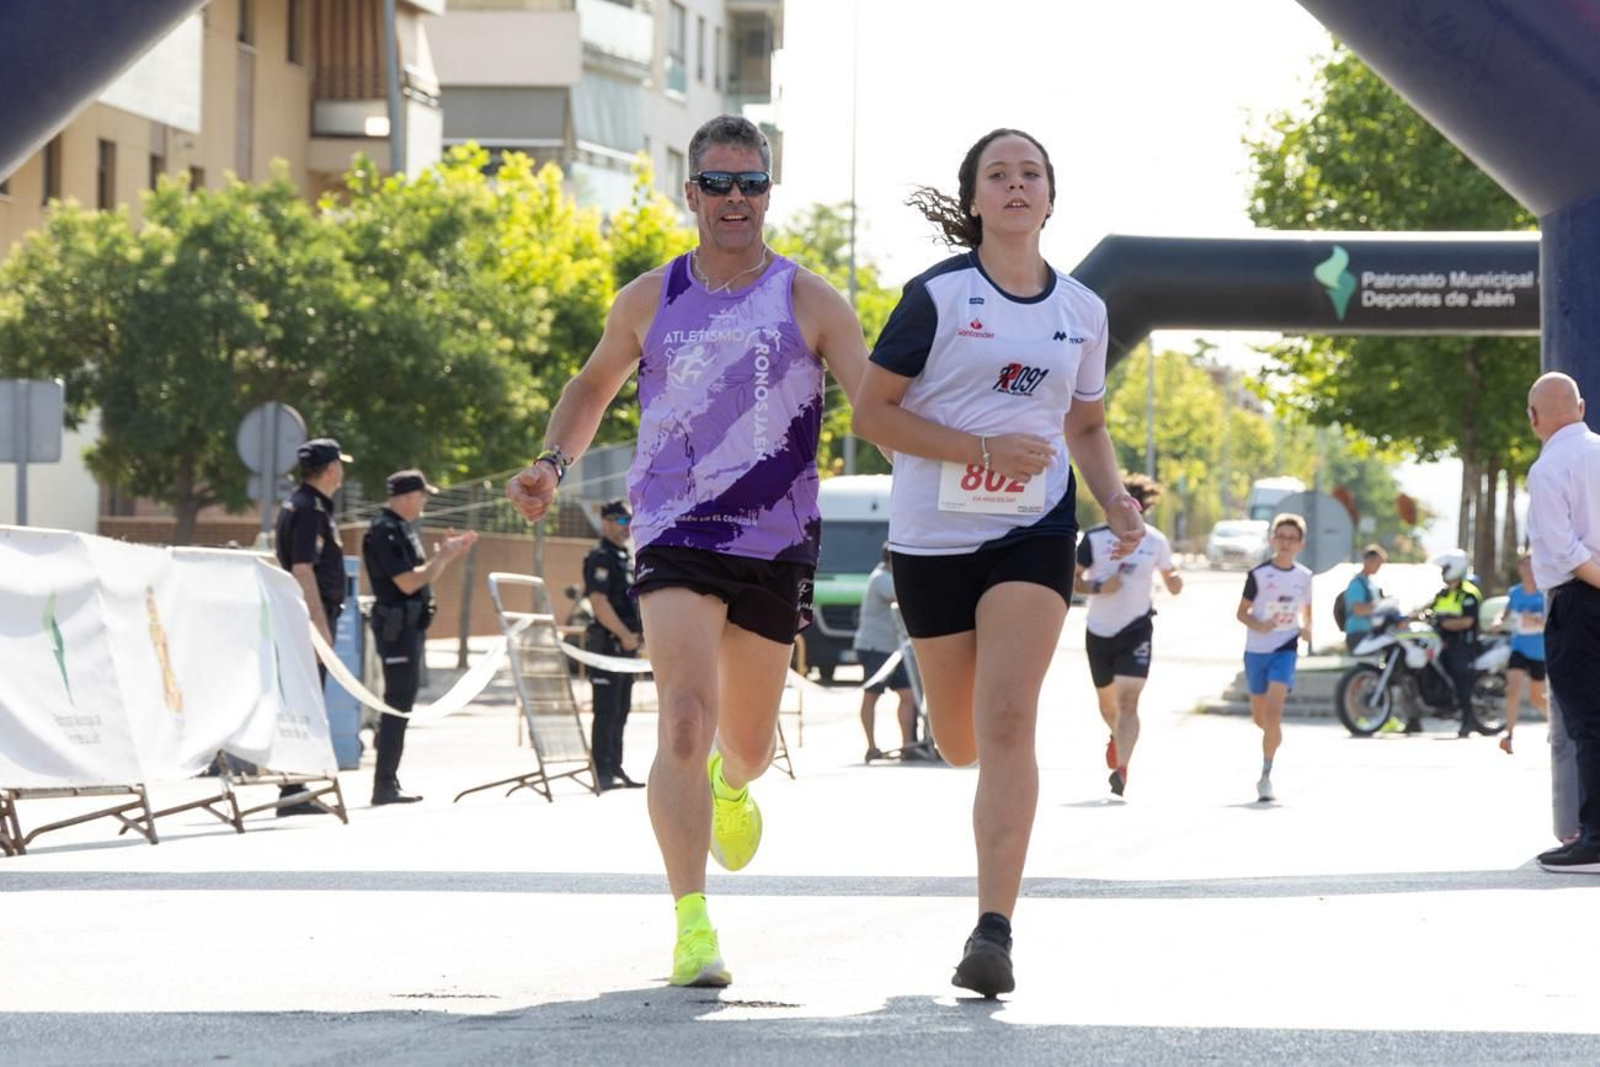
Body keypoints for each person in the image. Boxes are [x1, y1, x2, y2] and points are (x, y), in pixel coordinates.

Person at [504, 115, 870, 986]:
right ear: (692, 191)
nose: (735, 198)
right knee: (680, 717)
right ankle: (691, 923)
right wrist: (552, 462)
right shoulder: (650, 297)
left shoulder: (811, 299)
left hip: (774, 541)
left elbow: (877, 401)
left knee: (743, 744)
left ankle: (734, 785)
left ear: (769, 192)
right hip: (674, 528)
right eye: (718, 183)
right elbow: (593, 383)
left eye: (751, 183)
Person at [851, 127, 1144, 998]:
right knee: (962, 740)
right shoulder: (937, 297)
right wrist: (975, 443)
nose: (1016, 185)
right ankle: (964, 761)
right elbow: (873, 413)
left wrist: (1116, 499)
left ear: (1052, 197)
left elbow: (1084, 426)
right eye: (998, 174)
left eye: (1032, 173)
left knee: (1011, 717)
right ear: (973, 199)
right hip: (932, 540)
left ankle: (993, 932)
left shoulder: (1084, 310)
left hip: (1035, 529)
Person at [361, 470, 477, 805]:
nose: (425, 501)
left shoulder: (402, 529)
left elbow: (422, 577)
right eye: (422, 495)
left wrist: (447, 554)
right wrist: (444, 556)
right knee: (397, 703)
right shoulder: (385, 530)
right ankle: (383, 785)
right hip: (396, 629)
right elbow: (408, 583)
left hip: (409, 628)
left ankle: (389, 780)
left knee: (402, 702)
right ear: (409, 496)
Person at [1524, 371, 1600, 873]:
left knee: (1589, 722)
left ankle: (1595, 838)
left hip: (1579, 603)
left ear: (1533, 419)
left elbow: (1563, 550)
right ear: (1582, 407)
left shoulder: (1549, 467)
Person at [1074, 473, 1182, 797]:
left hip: (1136, 628)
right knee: (1108, 708)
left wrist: (1175, 581)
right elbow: (1071, 581)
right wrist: (1097, 587)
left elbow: (1171, 577)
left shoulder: (1155, 541)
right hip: (1099, 630)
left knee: (1129, 703)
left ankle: (1122, 768)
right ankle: (1116, 739)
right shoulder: (1093, 540)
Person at [273, 436, 353, 817]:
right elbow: (303, 568)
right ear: (332, 468)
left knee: (305, 700)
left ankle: (296, 788)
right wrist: (320, 625)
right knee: (305, 700)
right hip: (309, 617)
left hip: (304, 615)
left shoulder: (302, 504)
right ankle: (292, 792)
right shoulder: (309, 509)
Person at [1236, 513, 1312, 803]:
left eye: (1292, 538)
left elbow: (1307, 611)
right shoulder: (1257, 575)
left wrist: (1306, 629)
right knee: (1261, 718)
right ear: (1272, 540)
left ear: (1300, 544)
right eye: (1281, 537)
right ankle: (1271, 736)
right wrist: (1260, 625)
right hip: (1257, 650)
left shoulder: (1304, 576)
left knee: (1274, 712)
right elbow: (1241, 612)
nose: (1286, 543)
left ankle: (1266, 775)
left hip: (1285, 648)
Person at [584, 500, 647, 790]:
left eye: (629, 521)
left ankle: (616, 766)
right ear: (606, 522)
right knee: (605, 710)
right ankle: (602, 771)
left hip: (628, 647)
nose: (627, 528)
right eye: (622, 521)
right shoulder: (600, 556)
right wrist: (623, 634)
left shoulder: (626, 557)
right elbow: (599, 602)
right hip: (609, 645)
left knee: (621, 710)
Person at [853, 545, 920, 762]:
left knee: (908, 696)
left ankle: (909, 745)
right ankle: (871, 746)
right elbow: (904, 593)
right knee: (872, 696)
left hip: (896, 650)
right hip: (875, 647)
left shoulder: (889, 577)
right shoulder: (881, 578)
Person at [1428, 548, 1491, 738]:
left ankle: (1468, 720)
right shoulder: (1443, 594)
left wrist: (1445, 623)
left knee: (1459, 677)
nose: (1442, 572)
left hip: (1463, 645)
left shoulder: (1468, 593)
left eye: (1445, 568)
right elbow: (1429, 610)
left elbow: (1468, 621)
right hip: (1442, 643)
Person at [1496, 552, 1548, 756]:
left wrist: (1535, 621)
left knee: (1537, 698)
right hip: (1519, 647)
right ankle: (1508, 735)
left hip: (1540, 650)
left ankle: (1554, 724)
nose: (1528, 571)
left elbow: (1552, 622)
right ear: (1520, 569)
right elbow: (1506, 613)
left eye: (1532, 566)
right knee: (1513, 688)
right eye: (1524, 567)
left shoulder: (1545, 592)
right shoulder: (1515, 592)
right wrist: (1498, 621)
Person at [1341, 544, 1387, 653]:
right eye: (1377, 563)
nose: (1379, 567)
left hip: (1368, 632)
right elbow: (1358, 610)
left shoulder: (1370, 583)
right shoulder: (1357, 584)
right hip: (1358, 633)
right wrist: (1380, 606)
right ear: (1368, 561)